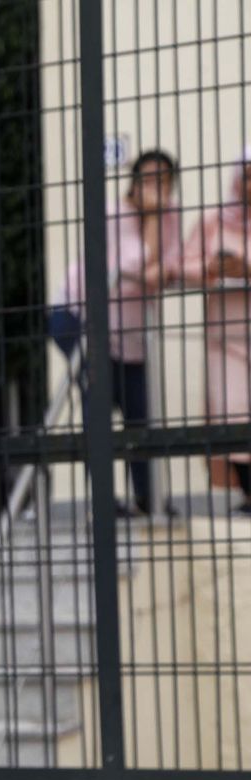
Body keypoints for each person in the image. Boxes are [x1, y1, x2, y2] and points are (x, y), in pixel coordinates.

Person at [55, 149, 185, 517]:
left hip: (129, 331)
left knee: (139, 412)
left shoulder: (169, 215)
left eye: (163, 181)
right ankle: (103, 502)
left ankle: (148, 497)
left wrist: (159, 222)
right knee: (100, 402)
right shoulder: (116, 214)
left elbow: (166, 267)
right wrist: (155, 218)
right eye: (147, 180)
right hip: (79, 317)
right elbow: (137, 266)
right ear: (134, 182)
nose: (156, 189)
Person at [183, 148, 251, 515]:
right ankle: (248, 492)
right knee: (233, 410)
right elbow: (184, 264)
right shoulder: (213, 223)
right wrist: (214, 266)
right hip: (226, 335)